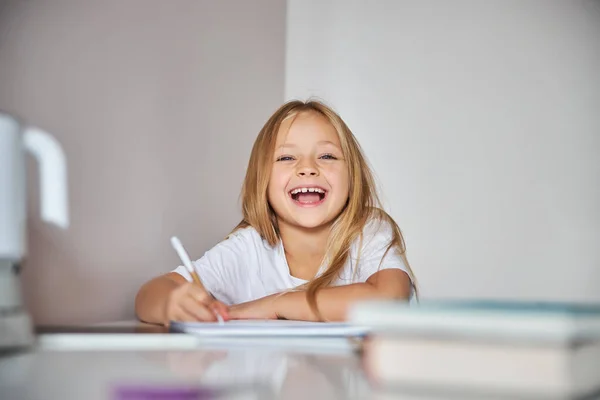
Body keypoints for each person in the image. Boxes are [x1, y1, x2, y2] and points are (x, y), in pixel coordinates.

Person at [135, 100, 417, 325]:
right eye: (286, 157)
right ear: (263, 181)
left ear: (353, 177)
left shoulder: (369, 231)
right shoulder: (250, 248)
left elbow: (388, 301)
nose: (307, 167)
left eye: (327, 156)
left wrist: (274, 305)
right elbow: (149, 295)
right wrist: (172, 305)